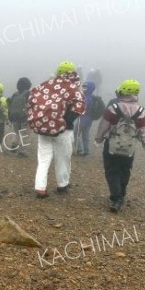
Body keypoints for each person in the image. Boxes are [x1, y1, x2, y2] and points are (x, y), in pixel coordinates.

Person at [95, 79, 145, 213]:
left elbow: (103, 125)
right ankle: (122, 193)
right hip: (129, 148)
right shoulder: (141, 111)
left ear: (122, 91)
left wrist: (98, 139)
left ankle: (116, 197)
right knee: (125, 169)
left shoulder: (114, 108)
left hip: (111, 146)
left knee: (112, 170)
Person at [26, 61, 85, 198]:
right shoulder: (73, 88)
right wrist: (64, 122)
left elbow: (31, 101)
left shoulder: (45, 85)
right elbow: (79, 107)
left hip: (43, 128)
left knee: (43, 159)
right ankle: (62, 185)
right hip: (64, 130)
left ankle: (40, 188)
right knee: (63, 158)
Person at [74, 81, 105, 156]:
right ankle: (86, 151)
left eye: (85, 87)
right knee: (85, 135)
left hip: (83, 119)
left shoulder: (86, 98)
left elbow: (82, 107)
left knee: (75, 134)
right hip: (89, 119)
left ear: (89, 89)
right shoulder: (92, 97)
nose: (83, 89)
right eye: (83, 87)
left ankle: (78, 150)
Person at [7, 77, 32, 155]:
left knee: (16, 132)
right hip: (25, 117)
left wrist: (9, 116)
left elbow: (9, 104)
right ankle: (22, 152)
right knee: (25, 134)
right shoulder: (29, 94)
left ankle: (13, 147)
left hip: (14, 117)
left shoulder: (15, 94)